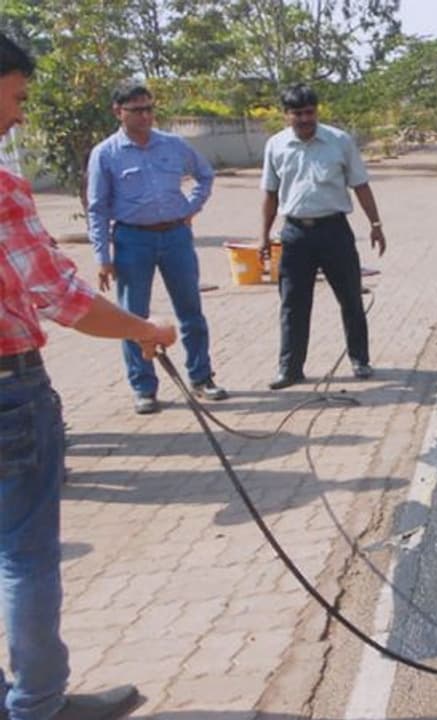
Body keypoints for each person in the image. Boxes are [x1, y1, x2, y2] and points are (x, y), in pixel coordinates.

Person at [0, 34, 178, 720]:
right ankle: (39, 706)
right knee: (25, 557)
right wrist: (145, 332)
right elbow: (63, 300)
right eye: (14, 97)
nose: (18, 115)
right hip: (9, 390)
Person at [86, 84, 227, 415]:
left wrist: (190, 207)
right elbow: (97, 207)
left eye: (149, 108)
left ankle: (202, 377)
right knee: (133, 316)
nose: (145, 115)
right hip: (133, 240)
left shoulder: (174, 145)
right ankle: (144, 388)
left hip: (175, 236)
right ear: (118, 111)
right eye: (137, 109)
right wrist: (102, 257)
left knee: (191, 310)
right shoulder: (105, 153)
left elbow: (205, 176)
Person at [258, 84, 386, 390]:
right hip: (294, 235)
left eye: (310, 112)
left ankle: (360, 359)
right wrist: (263, 236)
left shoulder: (339, 141)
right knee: (293, 303)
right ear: (286, 115)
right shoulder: (275, 146)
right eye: (297, 114)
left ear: (317, 111)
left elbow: (361, 184)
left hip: (335, 231)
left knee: (350, 297)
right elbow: (270, 193)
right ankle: (290, 368)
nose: (305, 119)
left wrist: (376, 223)